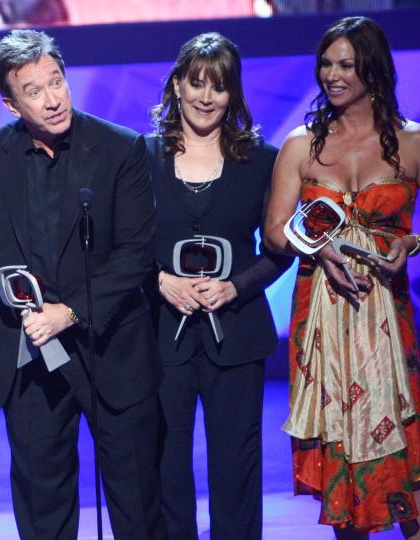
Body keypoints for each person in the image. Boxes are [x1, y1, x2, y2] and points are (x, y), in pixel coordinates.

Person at [0, 28, 164, 540]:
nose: (53, 99)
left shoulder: (120, 148)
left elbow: (137, 253)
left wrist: (70, 312)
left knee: (136, 503)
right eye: (35, 91)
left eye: (57, 82)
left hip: (111, 347)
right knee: (44, 505)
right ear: (10, 103)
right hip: (26, 355)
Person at [264, 16, 420, 538]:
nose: (332, 75)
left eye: (346, 65)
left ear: (372, 70)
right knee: (341, 442)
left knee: (405, 441)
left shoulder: (411, 142)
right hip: (323, 319)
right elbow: (274, 232)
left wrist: (411, 243)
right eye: (326, 64)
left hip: (387, 319)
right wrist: (321, 246)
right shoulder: (300, 145)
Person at [145, 32, 290, 540]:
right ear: (177, 85)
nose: (206, 97)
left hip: (238, 334)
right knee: (164, 466)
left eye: (220, 86)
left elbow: (280, 249)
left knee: (236, 466)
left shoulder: (263, 161)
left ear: (234, 94)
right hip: (160, 338)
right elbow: (121, 246)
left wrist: (236, 286)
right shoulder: (140, 158)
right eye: (197, 82)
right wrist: (160, 280)